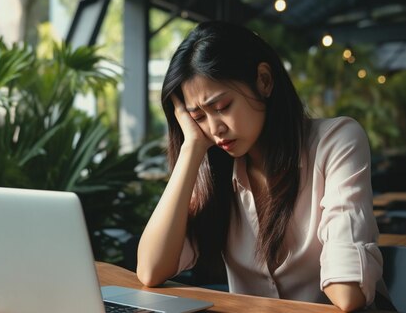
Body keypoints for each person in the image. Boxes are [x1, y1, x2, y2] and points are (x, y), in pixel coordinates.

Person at [136, 21, 387, 312]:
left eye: (222, 107)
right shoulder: (216, 171)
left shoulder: (336, 142)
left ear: (264, 80)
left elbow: (348, 294)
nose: (215, 129)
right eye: (198, 117)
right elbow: (151, 270)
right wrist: (191, 148)